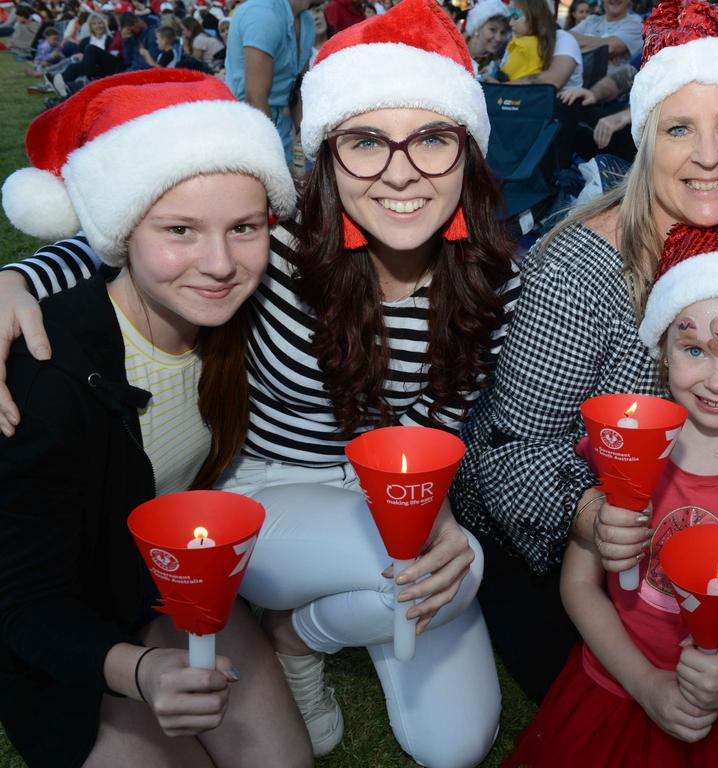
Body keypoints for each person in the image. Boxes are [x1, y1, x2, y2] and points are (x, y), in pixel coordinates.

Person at [0, 1, 518, 763]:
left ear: (467, 152)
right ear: (327, 155)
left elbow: (440, 424)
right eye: (367, 142)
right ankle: (302, 626)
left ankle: (305, 632)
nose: (401, 171)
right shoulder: (270, 249)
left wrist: (429, 512)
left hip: (388, 495)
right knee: (431, 562)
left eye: (433, 139)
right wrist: (14, 278)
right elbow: (133, 244)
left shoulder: (496, 283)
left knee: (456, 735)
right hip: (266, 491)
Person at [451, 0, 718, 703]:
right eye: (679, 129)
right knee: (607, 677)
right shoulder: (580, 270)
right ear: (644, 137)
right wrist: (592, 516)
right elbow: (508, 451)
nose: (709, 156)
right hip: (558, 544)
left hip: (707, 529)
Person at [0, 69, 310, 768]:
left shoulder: (245, 323)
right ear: (119, 231)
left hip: (175, 588)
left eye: (244, 228)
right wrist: (139, 673)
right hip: (71, 630)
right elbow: (23, 602)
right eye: (179, 230)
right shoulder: (47, 369)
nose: (220, 263)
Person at [507, 217, 718, 767]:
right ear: (664, 349)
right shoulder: (624, 447)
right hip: (621, 684)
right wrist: (646, 683)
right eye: (695, 350)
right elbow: (581, 586)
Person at [224, 0, 315, 159]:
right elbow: (255, 97)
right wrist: (275, 156)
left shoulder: (307, 21)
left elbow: (298, 87)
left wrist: (304, 139)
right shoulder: (263, 14)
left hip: (280, 135)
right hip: (248, 137)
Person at [570, 0, 642, 74]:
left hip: (608, 83)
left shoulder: (636, 22)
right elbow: (566, 38)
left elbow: (611, 47)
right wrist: (603, 51)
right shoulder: (591, 20)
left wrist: (577, 46)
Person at [498, 0, 549, 81]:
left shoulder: (524, 45)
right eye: (510, 17)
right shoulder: (541, 42)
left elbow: (505, 73)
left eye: (515, 16)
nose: (511, 23)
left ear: (533, 16)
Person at [464, 0, 510, 78]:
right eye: (493, 30)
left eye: (503, 33)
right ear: (478, 27)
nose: (498, 38)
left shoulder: (499, 64)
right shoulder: (455, 46)